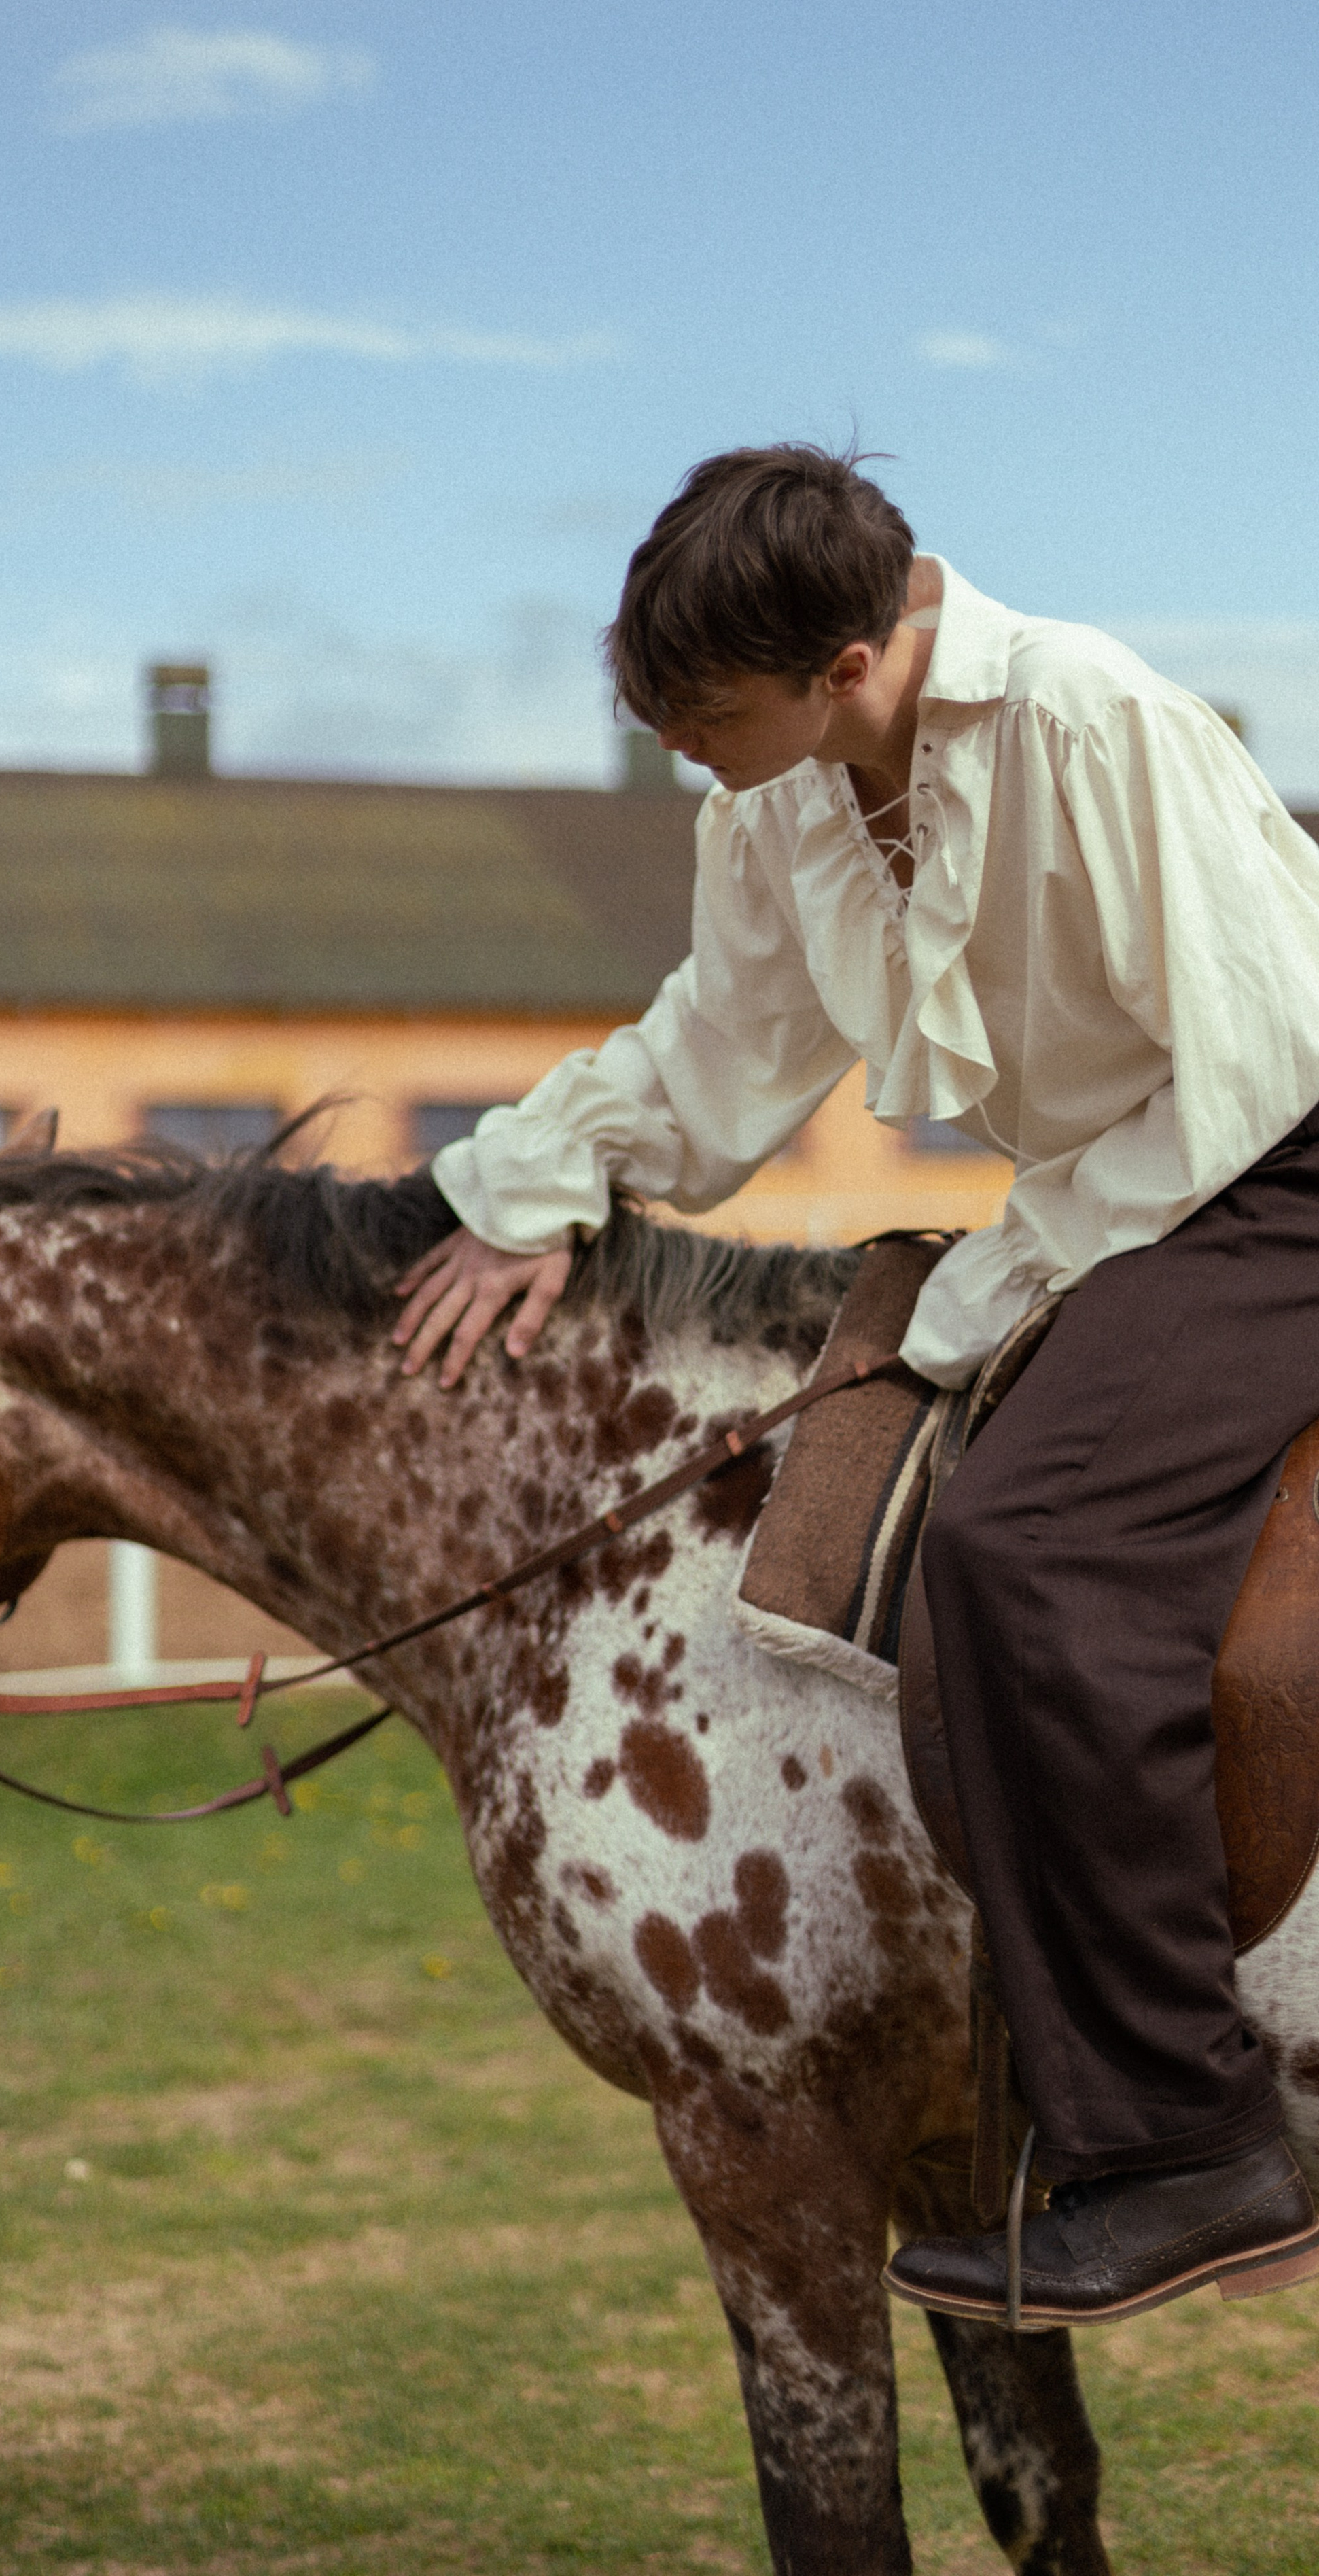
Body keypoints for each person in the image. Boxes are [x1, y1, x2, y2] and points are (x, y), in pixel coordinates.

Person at [389, 442, 1319, 2328]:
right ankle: (1037, 2104)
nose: (679, 748)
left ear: (841, 662)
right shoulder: (788, 802)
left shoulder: (1098, 720)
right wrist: (522, 1189)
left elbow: (1259, 1063)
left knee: (1023, 1554)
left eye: (702, 711)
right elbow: (719, 1060)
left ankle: (1195, 2145)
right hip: (1132, 1182)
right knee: (942, 1549)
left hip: (1277, 1155)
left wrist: (1012, 1272)